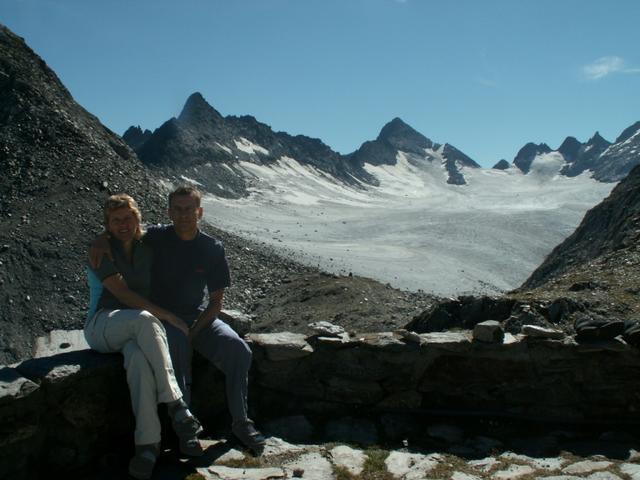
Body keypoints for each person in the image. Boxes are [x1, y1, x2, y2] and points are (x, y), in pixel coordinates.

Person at [90, 186, 266, 453]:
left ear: (200, 212)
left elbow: (216, 302)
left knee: (239, 350)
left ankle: (241, 422)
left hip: (197, 317)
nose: (184, 215)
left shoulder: (212, 248)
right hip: (160, 317)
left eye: (189, 209)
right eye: (178, 209)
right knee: (176, 352)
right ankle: (186, 431)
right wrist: (100, 239)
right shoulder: (155, 237)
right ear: (169, 212)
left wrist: (193, 331)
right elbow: (124, 230)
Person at [85, 194, 203, 480]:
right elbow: (123, 294)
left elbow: (176, 230)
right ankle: (176, 404)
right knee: (147, 319)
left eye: (128, 218)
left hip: (134, 329)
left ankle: (147, 446)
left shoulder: (146, 245)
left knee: (138, 363)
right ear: (107, 225)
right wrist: (168, 316)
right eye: (115, 221)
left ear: (137, 218)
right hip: (103, 324)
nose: (123, 224)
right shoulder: (102, 250)